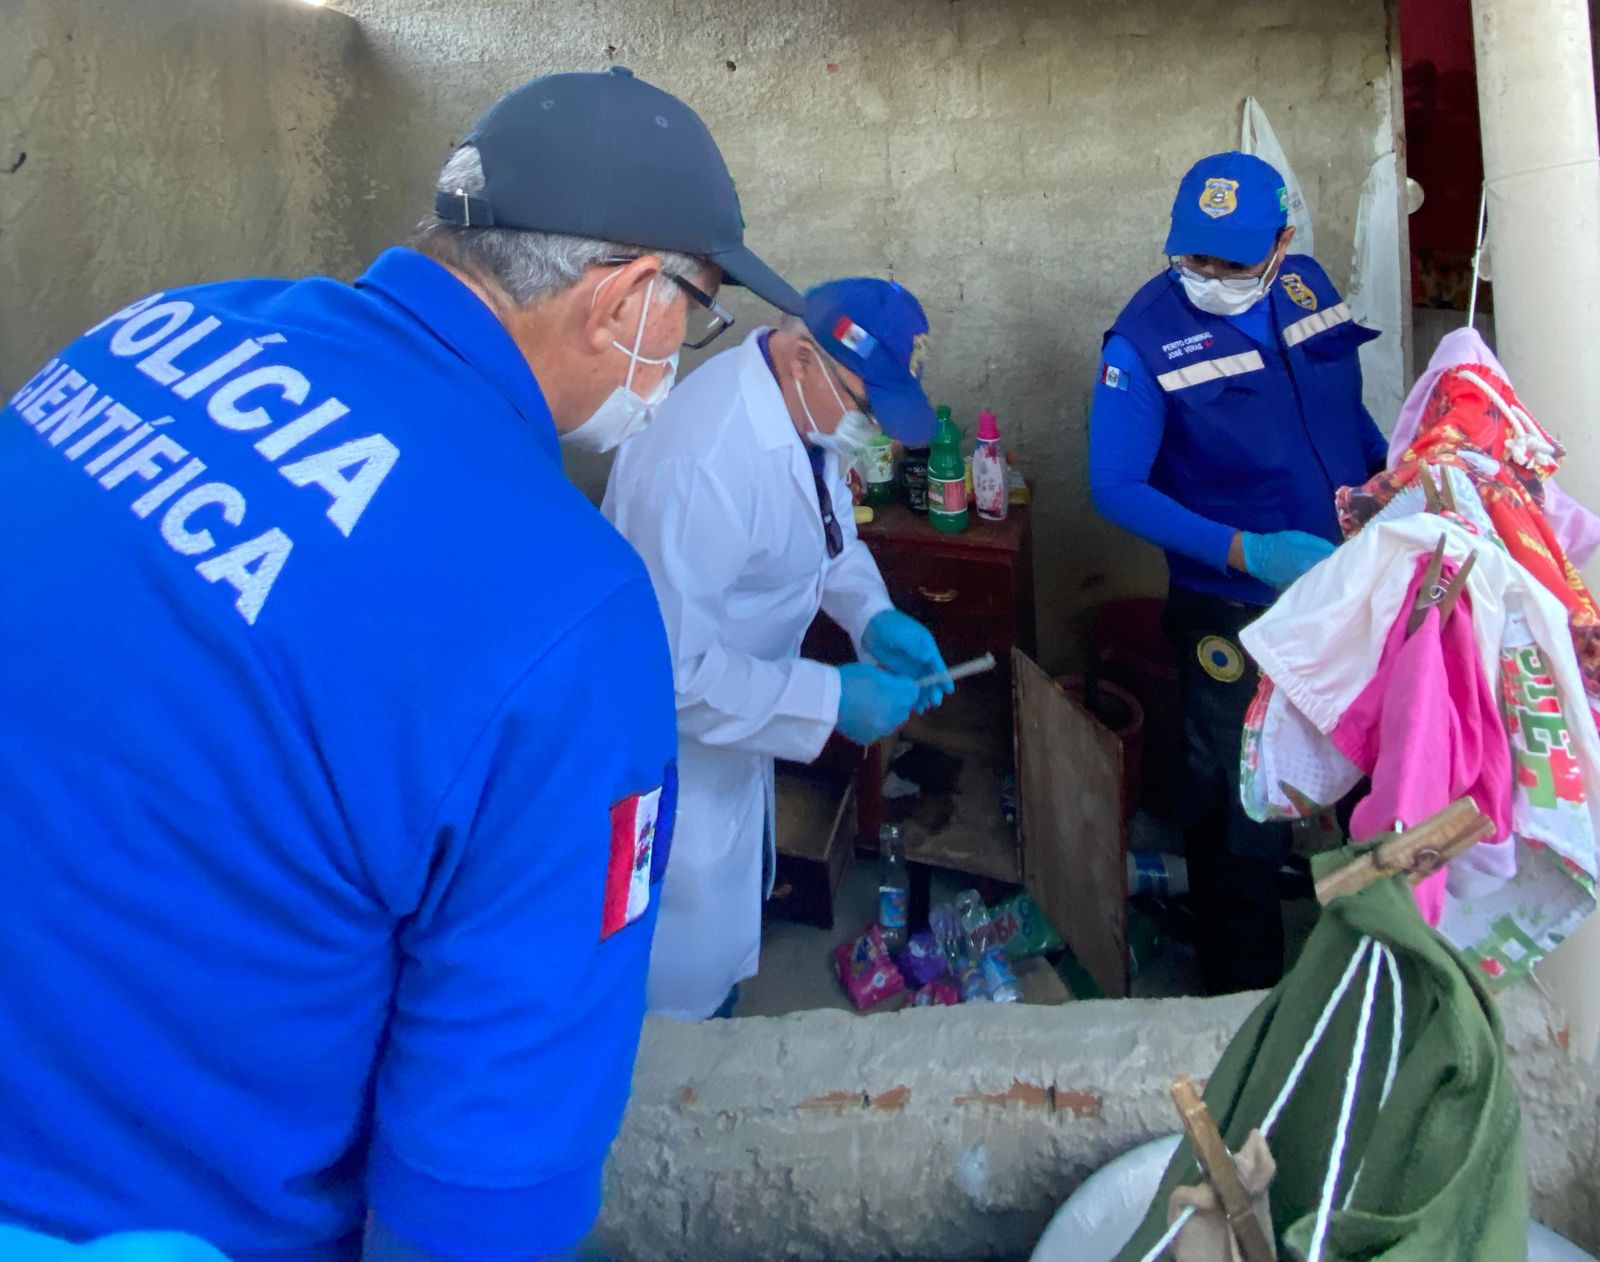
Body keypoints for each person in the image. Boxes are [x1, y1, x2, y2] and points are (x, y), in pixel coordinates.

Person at [0, 67, 800, 1262]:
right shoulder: (562, 607)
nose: (682, 349)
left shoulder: (151, 330)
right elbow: (482, 1186)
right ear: (625, 298)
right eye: (695, 307)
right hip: (140, 1217)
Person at [603, 278, 952, 1021]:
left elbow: (830, 532)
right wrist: (829, 699)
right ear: (801, 358)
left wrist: (873, 617)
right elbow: (669, 674)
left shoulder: (804, 414)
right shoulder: (701, 466)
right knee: (672, 987)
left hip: (736, 726)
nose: (878, 436)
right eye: (867, 410)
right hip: (671, 755)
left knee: (723, 921)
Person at [1089, 150, 1388, 996]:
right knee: (1238, 801)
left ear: (1282, 243)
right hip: (1234, 610)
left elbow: (1340, 403)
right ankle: (1240, 990)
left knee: (1370, 765)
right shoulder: (1144, 340)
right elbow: (1114, 486)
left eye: (1232, 261)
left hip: (1344, 582)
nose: (1210, 277)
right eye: (1194, 257)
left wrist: (1389, 475)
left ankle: (1373, 954)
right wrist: (1245, 552)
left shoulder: (1305, 289)